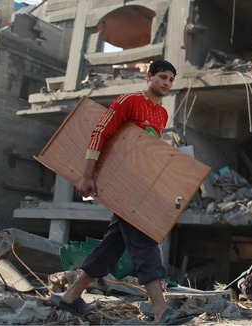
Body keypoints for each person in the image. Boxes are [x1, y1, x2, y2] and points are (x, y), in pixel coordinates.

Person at [56, 59, 179, 324]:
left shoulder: (162, 114)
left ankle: (70, 297)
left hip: (138, 185)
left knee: (112, 246)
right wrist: (87, 175)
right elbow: (100, 132)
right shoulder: (129, 101)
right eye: (162, 77)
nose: (167, 83)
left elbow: (146, 152)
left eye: (170, 80)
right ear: (149, 77)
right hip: (118, 183)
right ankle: (161, 309)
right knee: (144, 239)